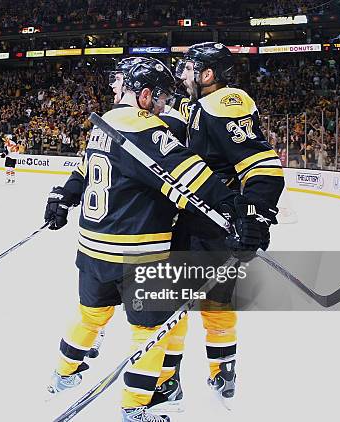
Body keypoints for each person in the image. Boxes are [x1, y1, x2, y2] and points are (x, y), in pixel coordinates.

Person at [44, 58, 243, 421]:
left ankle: (63, 374)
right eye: (162, 98)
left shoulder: (102, 124)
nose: (164, 106)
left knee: (90, 316)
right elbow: (195, 177)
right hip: (137, 253)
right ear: (146, 94)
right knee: (151, 332)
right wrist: (239, 212)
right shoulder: (145, 129)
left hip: (91, 250)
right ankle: (136, 407)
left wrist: (66, 193)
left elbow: (85, 170)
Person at [164, 42, 285, 408]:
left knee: (178, 304)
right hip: (195, 220)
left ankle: (171, 381)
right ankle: (222, 373)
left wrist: (256, 217)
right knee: (212, 303)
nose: (182, 75)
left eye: (188, 69)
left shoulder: (226, 103)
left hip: (213, 226)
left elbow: (263, 168)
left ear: (208, 75)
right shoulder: (194, 104)